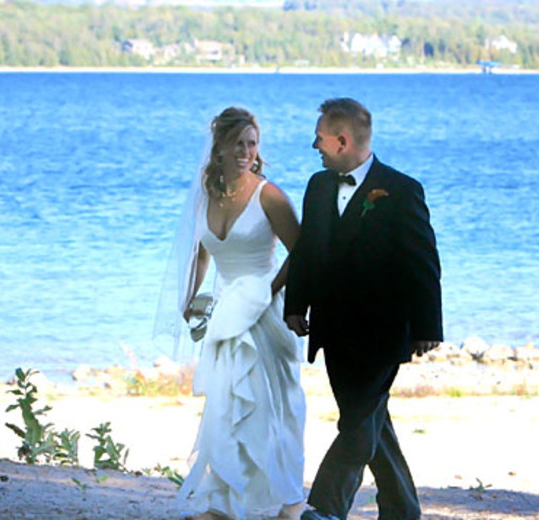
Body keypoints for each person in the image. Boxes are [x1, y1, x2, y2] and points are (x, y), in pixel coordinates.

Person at [284, 98, 442, 520]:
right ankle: (403, 511)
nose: (313, 146)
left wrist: (428, 326)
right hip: (333, 330)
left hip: (383, 332)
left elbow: (423, 262)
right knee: (369, 420)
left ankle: (321, 509)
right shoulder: (318, 186)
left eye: (319, 138)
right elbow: (306, 251)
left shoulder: (402, 189)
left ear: (341, 140)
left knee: (356, 428)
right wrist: (295, 305)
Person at [175, 107, 307, 520]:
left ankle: (289, 501)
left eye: (252, 144)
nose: (246, 152)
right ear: (218, 148)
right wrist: (189, 298)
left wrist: (270, 290)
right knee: (225, 406)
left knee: (273, 406)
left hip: (266, 313)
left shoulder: (269, 195)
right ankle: (222, 505)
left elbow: (301, 250)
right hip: (225, 313)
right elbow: (200, 252)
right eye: (238, 144)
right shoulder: (207, 195)